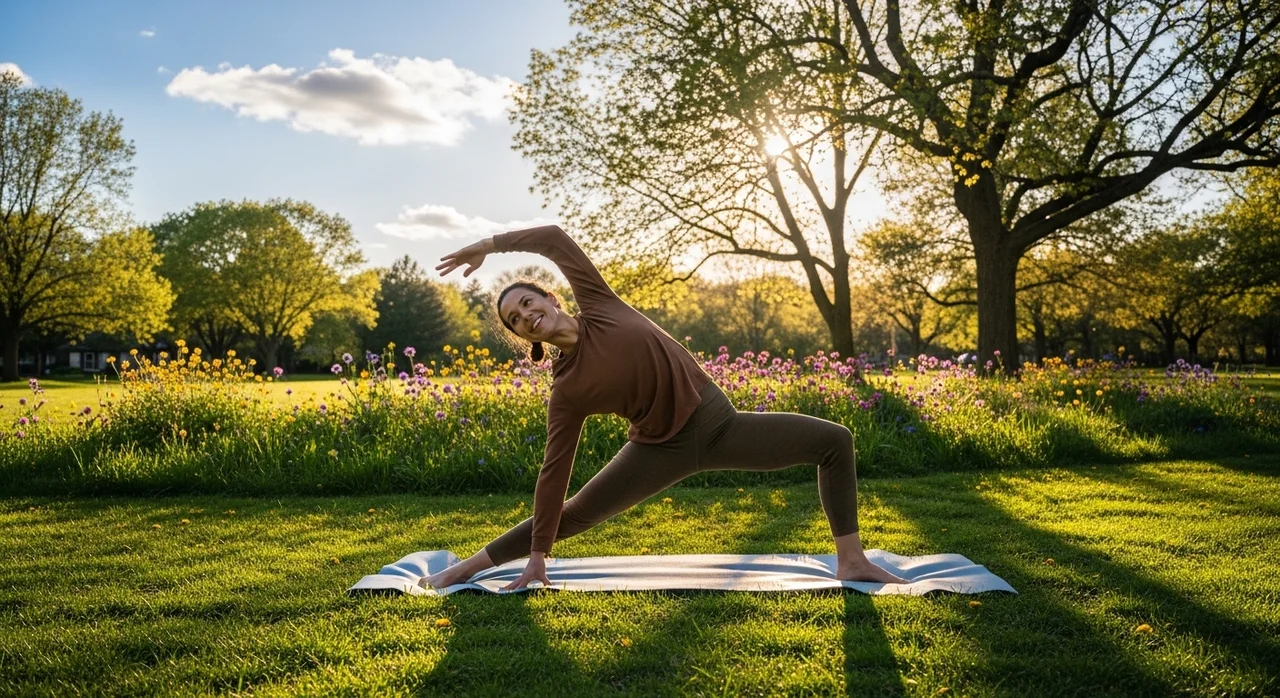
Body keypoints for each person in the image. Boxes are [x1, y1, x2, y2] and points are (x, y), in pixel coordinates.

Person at [428, 224, 906, 590]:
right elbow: (554, 472)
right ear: (523, 336)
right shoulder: (566, 389)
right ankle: (467, 567)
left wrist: (488, 247)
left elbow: (553, 239)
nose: (527, 315)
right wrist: (538, 555)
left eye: (528, 303)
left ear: (549, 298)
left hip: (721, 425)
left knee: (834, 441)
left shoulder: (599, 303)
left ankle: (851, 559)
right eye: (516, 320)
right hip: (659, 451)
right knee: (572, 515)